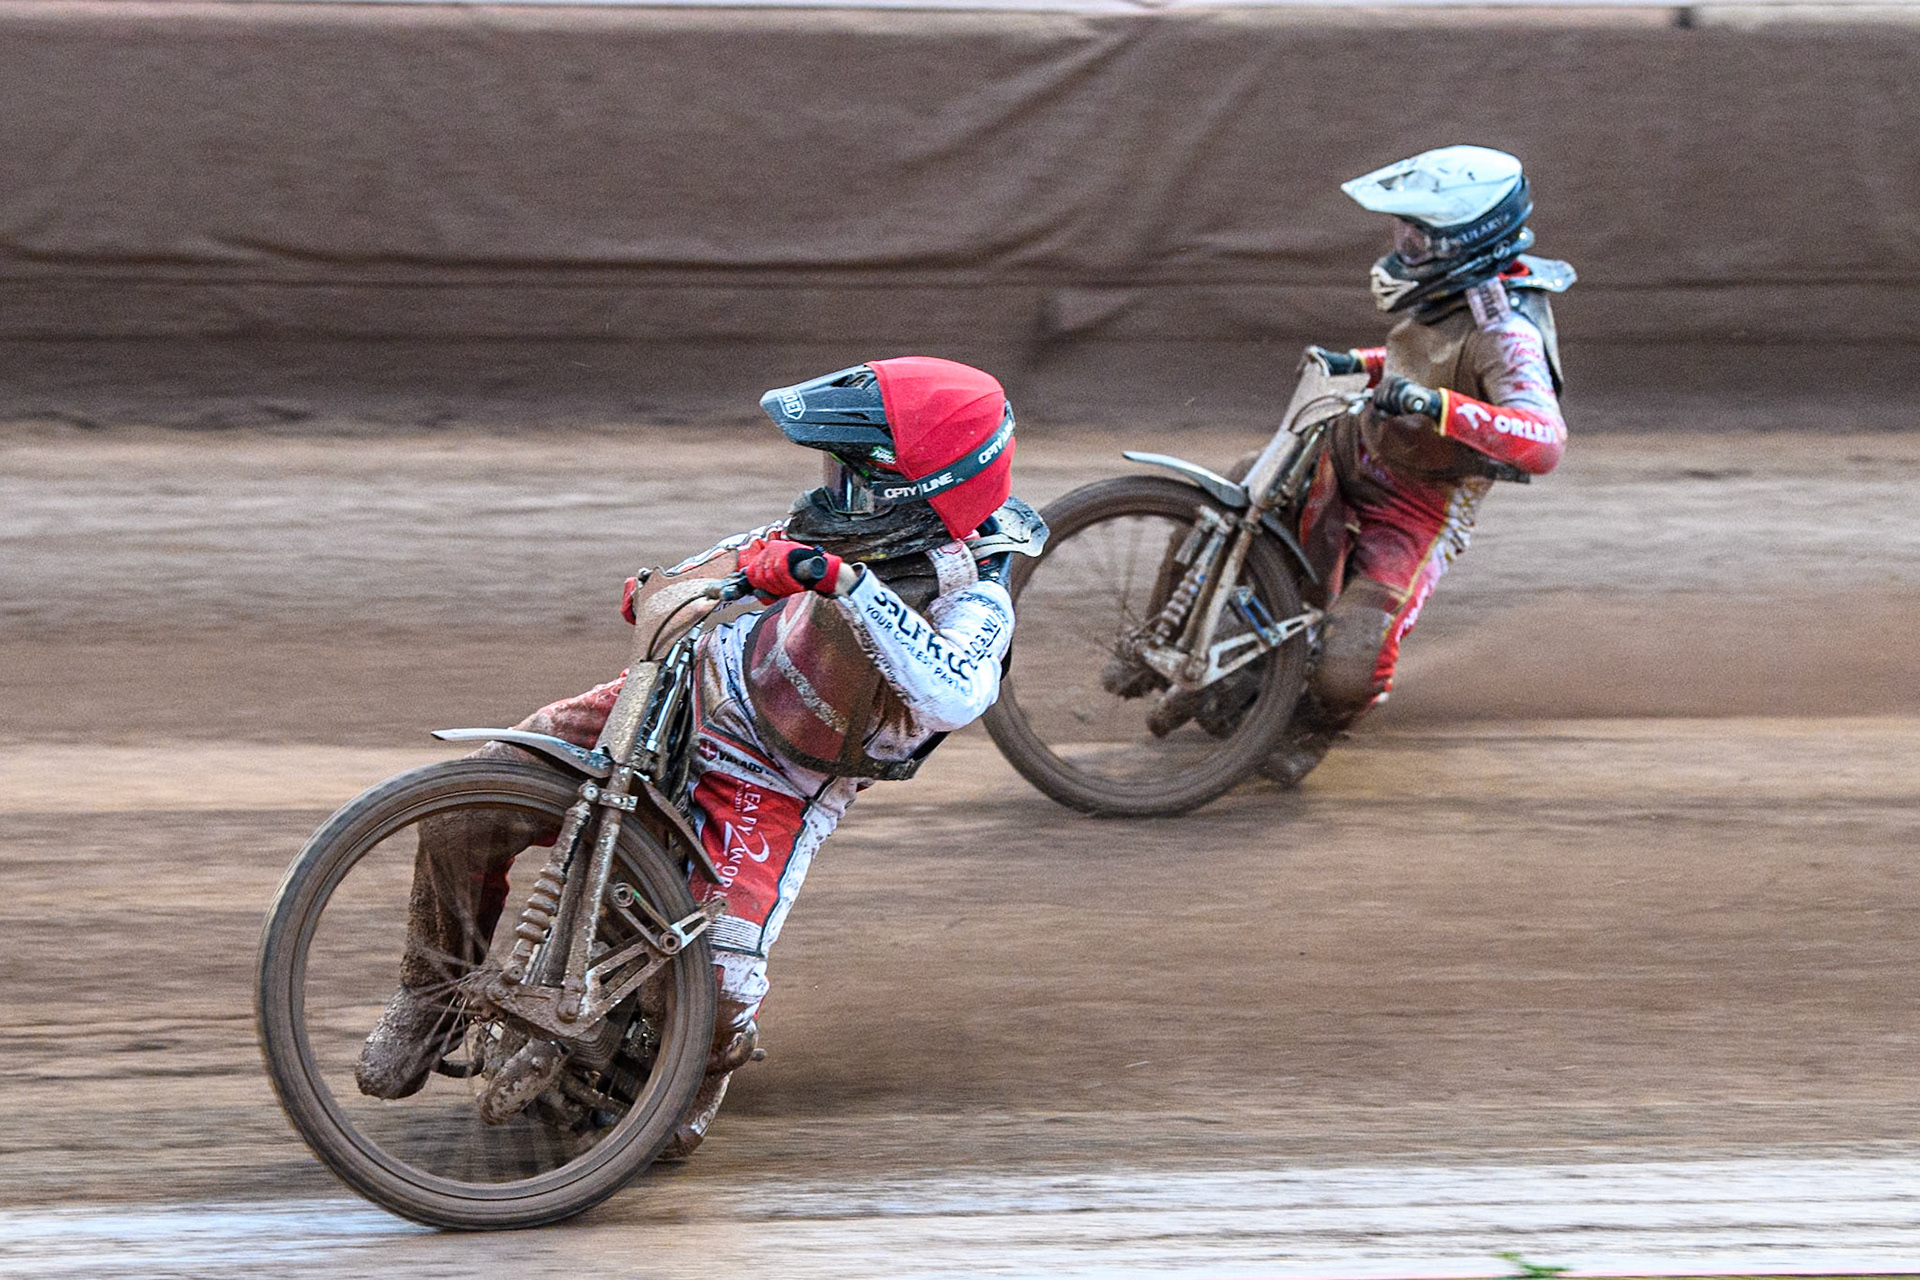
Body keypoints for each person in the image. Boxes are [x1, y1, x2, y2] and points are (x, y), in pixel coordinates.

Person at [354, 356, 1044, 1159]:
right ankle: (432, 991)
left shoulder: (974, 593)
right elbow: (748, 551)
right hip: (688, 690)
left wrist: (845, 585)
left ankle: (694, 1067)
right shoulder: (846, 525)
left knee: (710, 1000)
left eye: (854, 476)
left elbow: (956, 693)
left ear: (911, 490)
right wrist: (670, 584)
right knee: (469, 805)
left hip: (774, 782)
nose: (832, 491)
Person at [1263, 144, 1576, 786]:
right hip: (1355, 447)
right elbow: (1423, 357)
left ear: (1469, 241)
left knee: (1350, 664)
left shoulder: (1509, 334)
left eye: (1420, 237)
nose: (1404, 247)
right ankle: (1165, 646)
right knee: (1236, 500)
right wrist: (1361, 363)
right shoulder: (1457, 294)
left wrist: (1436, 407)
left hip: (1420, 506)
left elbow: (1544, 440)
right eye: (1402, 230)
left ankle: (1315, 727)